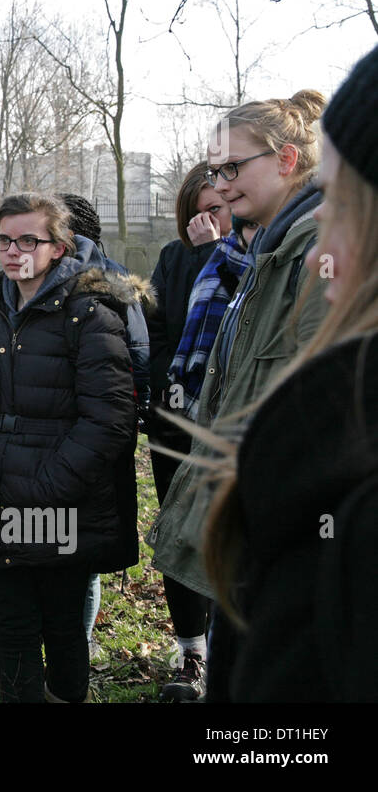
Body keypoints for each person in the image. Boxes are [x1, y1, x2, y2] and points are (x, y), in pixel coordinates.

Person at [201, 45, 378, 701]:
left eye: (340, 203)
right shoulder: (256, 250)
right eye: (213, 169)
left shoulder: (344, 489)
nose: (318, 256)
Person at [147, 89, 328, 702]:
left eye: (231, 167)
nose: (219, 184)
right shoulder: (265, 251)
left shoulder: (322, 249)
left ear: (286, 158)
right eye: (213, 170)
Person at [0, 193, 141, 703]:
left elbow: (110, 420)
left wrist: (48, 489)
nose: (13, 250)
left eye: (28, 239)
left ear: (59, 247)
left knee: (62, 625)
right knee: (11, 623)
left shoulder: (90, 315)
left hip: (59, 500)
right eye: (4, 239)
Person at [144, 164, 228, 697]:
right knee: (179, 533)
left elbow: (225, 325)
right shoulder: (173, 259)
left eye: (215, 209)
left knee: (223, 537)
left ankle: (226, 650)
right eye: (196, 213)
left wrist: (212, 253)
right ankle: (190, 652)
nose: (204, 222)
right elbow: (156, 333)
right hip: (173, 422)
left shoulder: (252, 258)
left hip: (227, 426)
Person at [57, 193, 149, 658]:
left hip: (97, 434)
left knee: (84, 550)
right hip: (50, 433)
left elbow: (137, 357)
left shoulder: (111, 282)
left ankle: (80, 647)